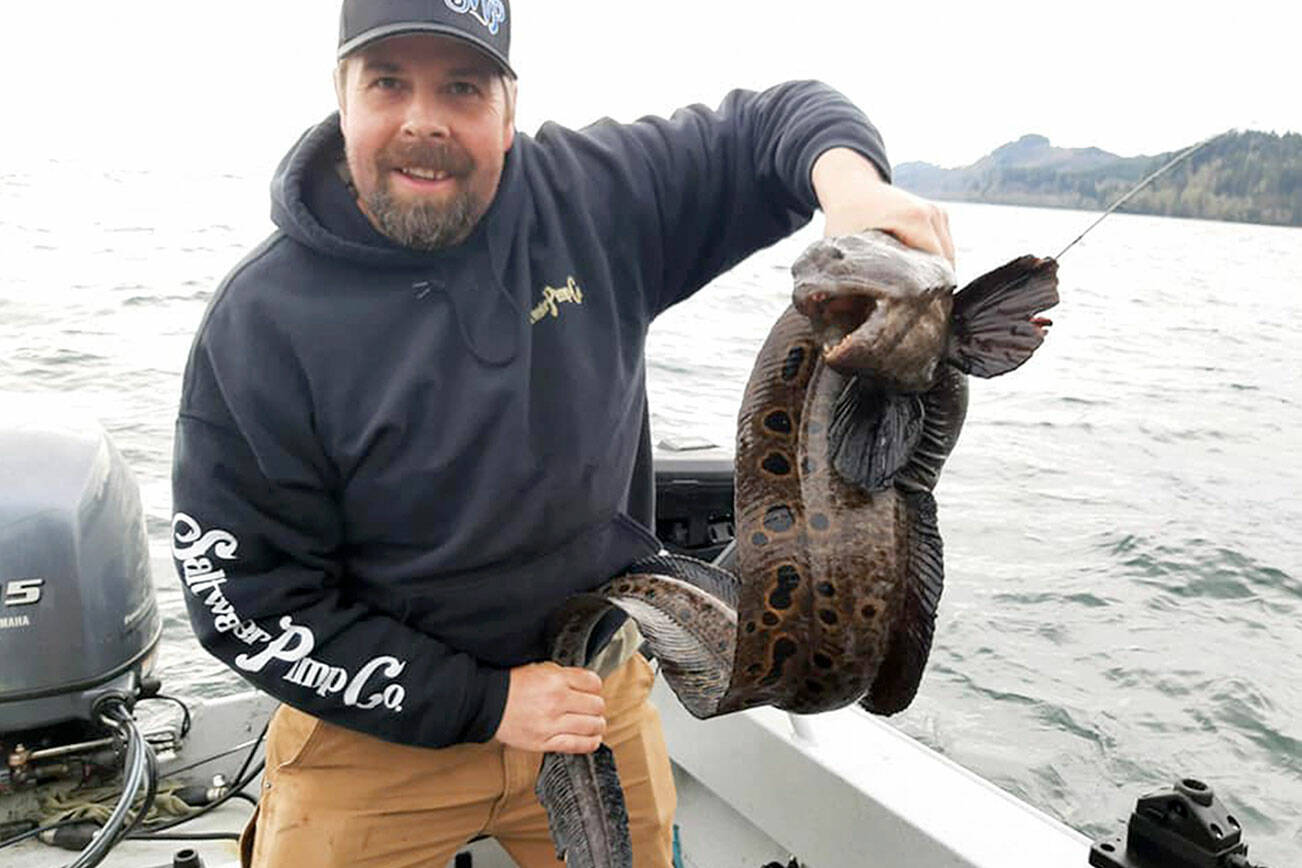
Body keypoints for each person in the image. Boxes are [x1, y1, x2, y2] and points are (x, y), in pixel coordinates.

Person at [171, 1, 955, 865]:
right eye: (388, 82)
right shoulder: (262, 322)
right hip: (376, 729)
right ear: (341, 96)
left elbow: (777, 120)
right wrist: (486, 701)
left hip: (595, 690)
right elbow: (245, 601)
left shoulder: (596, 199)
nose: (423, 121)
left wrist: (855, 190)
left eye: (463, 87)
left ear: (509, 109)